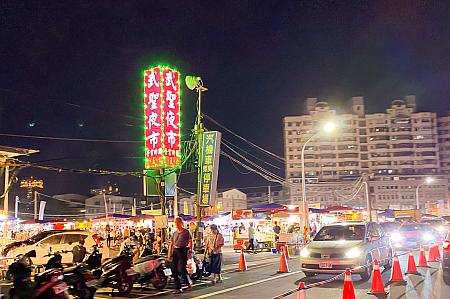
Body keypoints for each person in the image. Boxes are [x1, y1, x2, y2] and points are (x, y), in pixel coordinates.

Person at [168, 217, 193, 294]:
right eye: (175, 223)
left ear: (181, 223)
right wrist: (169, 253)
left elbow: (190, 241)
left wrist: (190, 251)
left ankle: (188, 282)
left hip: (182, 251)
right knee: (174, 269)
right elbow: (171, 244)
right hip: (175, 251)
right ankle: (178, 287)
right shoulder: (174, 233)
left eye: (178, 222)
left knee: (181, 268)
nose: (176, 224)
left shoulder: (186, 232)